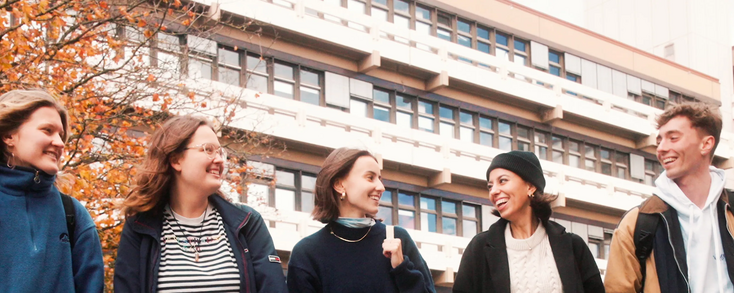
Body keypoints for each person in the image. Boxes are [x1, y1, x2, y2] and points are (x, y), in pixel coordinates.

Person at [114, 115, 287, 293]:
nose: (219, 160)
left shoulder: (248, 223)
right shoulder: (140, 227)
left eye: (220, 152)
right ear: (175, 160)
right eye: (208, 150)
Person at [0, 89, 104, 292]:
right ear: (8, 135)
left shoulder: (73, 215)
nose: (59, 142)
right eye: (47, 130)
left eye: (61, 134)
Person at [605, 103, 734, 293]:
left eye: (673, 138)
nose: (662, 149)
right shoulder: (637, 223)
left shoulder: (730, 210)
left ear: (706, 144)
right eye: (659, 141)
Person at [286, 147, 436, 293]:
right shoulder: (307, 253)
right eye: (370, 177)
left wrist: (402, 269)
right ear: (339, 184)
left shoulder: (397, 239)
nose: (381, 187)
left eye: (380, 179)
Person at [453, 151, 604, 293]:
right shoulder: (479, 248)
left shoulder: (573, 246)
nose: (493, 191)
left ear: (530, 186)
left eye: (503, 181)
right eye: (490, 186)